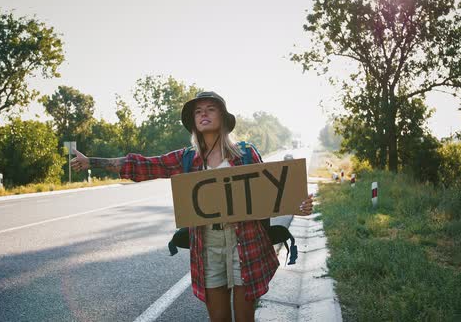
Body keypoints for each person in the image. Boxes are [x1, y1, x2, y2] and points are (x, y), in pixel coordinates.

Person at [71, 91, 313, 322]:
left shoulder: (246, 154)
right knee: (218, 318)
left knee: (244, 317)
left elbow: (270, 196)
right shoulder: (186, 158)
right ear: (193, 121)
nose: (203, 114)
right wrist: (92, 161)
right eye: (198, 111)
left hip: (246, 241)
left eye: (210, 109)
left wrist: (297, 205)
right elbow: (143, 165)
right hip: (207, 245)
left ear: (223, 118)